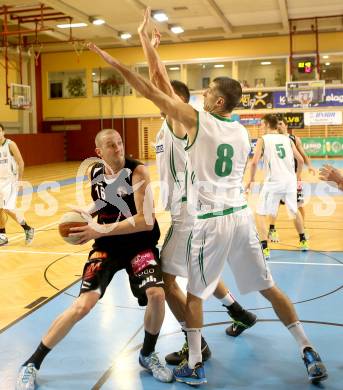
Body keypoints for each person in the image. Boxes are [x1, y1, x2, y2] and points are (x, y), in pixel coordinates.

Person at [87, 42, 328, 385]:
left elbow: (152, 84)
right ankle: (305, 347)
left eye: (208, 91)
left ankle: (196, 360)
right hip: (240, 216)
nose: (201, 95)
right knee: (269, 288)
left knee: (186, 289)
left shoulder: (192, 121)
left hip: (205, 218)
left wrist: (118, 60)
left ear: (216, 102)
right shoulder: (242, 131)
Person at [137, 8, 256, 366]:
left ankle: (196, 346)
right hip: (194, 212)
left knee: (169, 279)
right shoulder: (171, 127)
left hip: (191, 214)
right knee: (196, 273)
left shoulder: (181, 122)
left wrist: (146, 41)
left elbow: (158, 77)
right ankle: (238, 311)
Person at [16, 129, 173, 390]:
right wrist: (87, 212)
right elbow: (106, 202)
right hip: (108, 247)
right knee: (83, 305)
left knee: (157, 295)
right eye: (111, 146)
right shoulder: (96, 173)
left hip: (139, 245)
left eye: (120, 143)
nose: (118, 148)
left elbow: (145, 222)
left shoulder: (138, 172)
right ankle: (31, 363)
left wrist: (98, 229)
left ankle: (148, 354)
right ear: (99, 152)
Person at [247, 114, 309, 259]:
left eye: (262, 124)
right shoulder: (287, 139)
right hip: (289, 181)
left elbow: (254, 162)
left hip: (273, 181)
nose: (260, 126)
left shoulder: (263, 139)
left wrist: (251, 179)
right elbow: (300, 160)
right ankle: (303, 241)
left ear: (268, 124)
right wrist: (297, 176)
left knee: (260, 213)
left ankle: (265, 248)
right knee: (294, 210)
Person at [267, 117, 316, 243]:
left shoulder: (293, 139)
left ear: (286, 125)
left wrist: (309, 166)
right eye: (277, 124)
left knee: (299, 204)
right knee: (275, 204)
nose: (279, 126)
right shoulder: (273, 140)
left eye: (281, 124)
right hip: (278, 178)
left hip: (294, 177)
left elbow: (303, 156)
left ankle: (302, 228)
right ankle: (272, 229)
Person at [0, 123, 34, 246]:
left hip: (10, 181)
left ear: (3, 132)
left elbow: (20, 162)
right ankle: (2, 236)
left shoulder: (10, 144)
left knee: (8, 208)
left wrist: (20, 179)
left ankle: (28, 228)